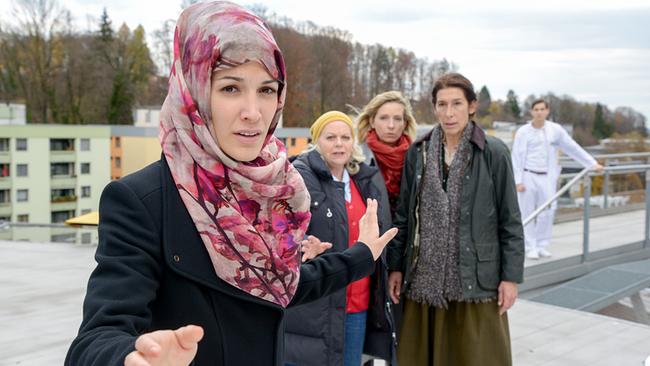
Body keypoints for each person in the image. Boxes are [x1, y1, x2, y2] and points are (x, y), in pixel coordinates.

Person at [64, 3, 397, 366]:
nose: (253, 111)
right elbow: (96, 337)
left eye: (267, 90)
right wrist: (129, 357)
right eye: (230, 88)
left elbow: (278, 285)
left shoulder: (274, 190)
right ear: (191, 91)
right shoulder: (141, 201)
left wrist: (362, 255)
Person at [386, 73, 524, 366]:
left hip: (476, 281)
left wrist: (510, 278)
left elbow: (509, 220)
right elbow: (404, 217)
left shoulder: (494, 153)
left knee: (478, 357)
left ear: (472, 106)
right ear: (434, 108)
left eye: (457, 104)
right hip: (424, 280)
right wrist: (396, 267)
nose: (449, 113)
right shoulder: (418, 153)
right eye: (442, 104)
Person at [283, 111, 395, 366]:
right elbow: (283, 227)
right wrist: (304, 241)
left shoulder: (362, 179)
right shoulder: (298, 176)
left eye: (345, 137)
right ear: (316, 140)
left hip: (357, 301)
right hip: (318, 301)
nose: (339, 143)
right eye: (330, 137)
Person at [511, 99, 603, 259]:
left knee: (547, 211)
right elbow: (516, 156)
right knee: (527, 212)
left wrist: (592, 163)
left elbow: (572, 148)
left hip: (547, 177)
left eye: (542, 109)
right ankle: (530, 246)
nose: (539, 112)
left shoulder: (556, 130)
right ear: (532, 112)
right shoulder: (523, 132)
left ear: (547, 111)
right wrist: (518, 180)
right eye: (536, 109)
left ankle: (542, 245)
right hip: (528, 175)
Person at [355, 91, 417, 214]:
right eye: (383, 118)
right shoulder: (356, 159)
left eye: (397, 119)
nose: (391, 125)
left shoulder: (418, 157)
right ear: (372, 121)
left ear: (405, 123)